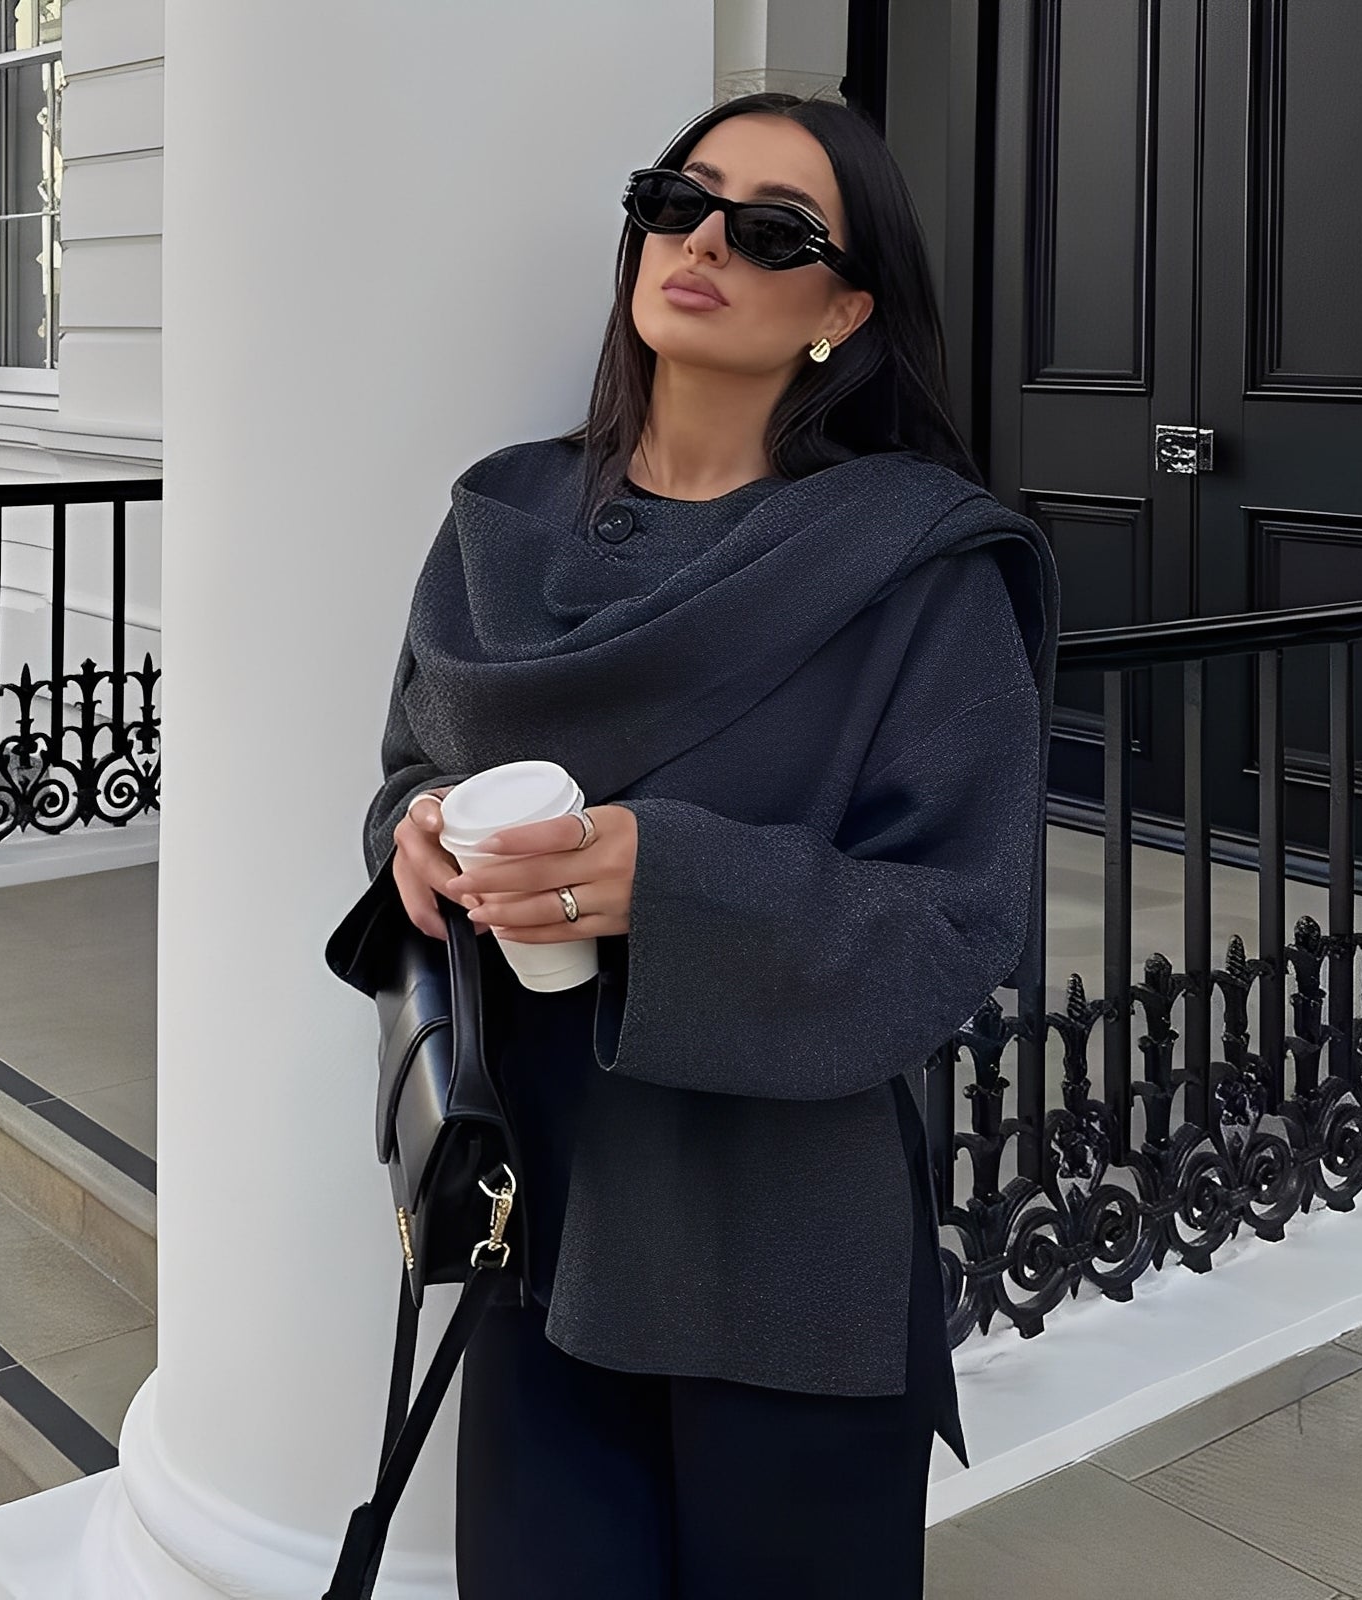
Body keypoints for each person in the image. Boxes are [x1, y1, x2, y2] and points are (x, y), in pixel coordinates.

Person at [360, 90, 1060, 1600]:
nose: (705, 243)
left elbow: (960, 923)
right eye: (679, 201)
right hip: (534, 1225)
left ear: (846, 311)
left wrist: (666, 885)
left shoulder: (916, 565)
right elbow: (413, 762)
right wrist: (411, 836)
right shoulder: (501, 521)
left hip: (780, 1257)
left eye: (774, 232)